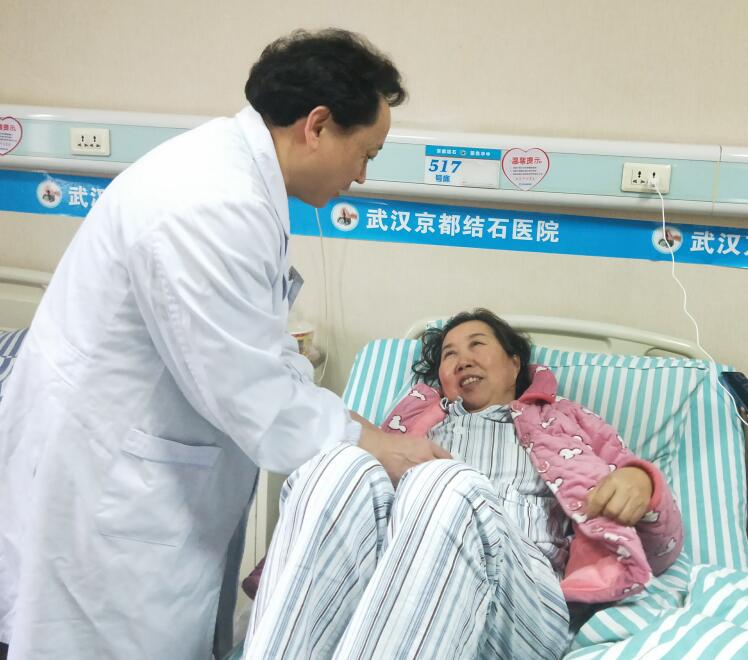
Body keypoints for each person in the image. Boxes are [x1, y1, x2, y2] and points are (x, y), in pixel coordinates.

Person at [0, 29, 447, 660]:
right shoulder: (209, 203)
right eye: (365, 152)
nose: (362, 175)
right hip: (111, 497)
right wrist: (374, 445)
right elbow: (252, 394)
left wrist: (362, 430)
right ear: (318, 126)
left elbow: (263, 354)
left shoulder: (235, 179)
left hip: (142, 480)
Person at [242, 309, 683, 659]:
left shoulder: (566, 420)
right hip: (394, 590)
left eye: (477, 344)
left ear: (515, 363)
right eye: (449, 354)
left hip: (523, 604)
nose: (462, 358)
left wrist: (641, 483)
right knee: (339, 464)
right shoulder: (412, 426)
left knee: (448, 483)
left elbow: (659, 546)